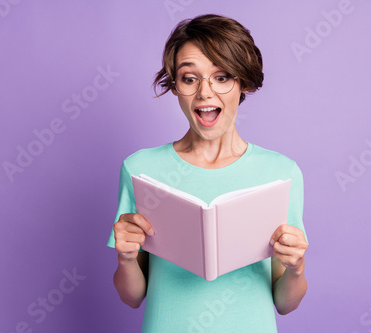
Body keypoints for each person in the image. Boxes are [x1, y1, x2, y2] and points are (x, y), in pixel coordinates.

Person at [107, 14, 309, 332]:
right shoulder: (140, 170)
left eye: (222, 76)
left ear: (243, 83)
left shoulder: (281, 173)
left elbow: (286, 303)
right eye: (190, 78)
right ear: (175, 86)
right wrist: (126, 259)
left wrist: (296, 269)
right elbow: (132, 297)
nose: (205, 92)